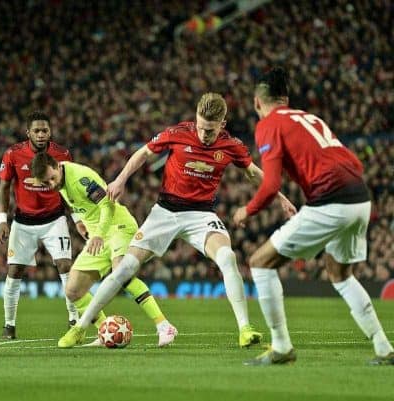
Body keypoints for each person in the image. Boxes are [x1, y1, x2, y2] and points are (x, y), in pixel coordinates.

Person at [58, 93, 296, 348]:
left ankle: (245, 329)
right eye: (201, 127)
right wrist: (121, 178)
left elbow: (252, 173)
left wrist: (280, 198)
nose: (204, 134)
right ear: (196, 118)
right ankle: (81, 328)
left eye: (211, 130)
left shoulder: (231, 145)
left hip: (201, 215)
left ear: (222, 125)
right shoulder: (178, 132)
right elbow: (144, 154)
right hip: (165, 212)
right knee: (125, 268)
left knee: (227, 258)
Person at [232, 67, 394, 366]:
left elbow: (270, 185)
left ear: (257, 102)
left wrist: (247, 210)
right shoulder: (308, 117)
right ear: (287, 98)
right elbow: (353, 161)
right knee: (341, 275)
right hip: (360, 199)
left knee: (260, 263)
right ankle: (384, 348)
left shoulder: (269, 125)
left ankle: (281, 346)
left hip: (331, 202)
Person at [30, 153, 177, 348]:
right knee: (73, 290)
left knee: (121, 272)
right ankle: (104, 330)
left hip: (117, 227)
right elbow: (76, 203)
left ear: (57, 167)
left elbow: (107, 204)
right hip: (97, 237)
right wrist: (80, 222)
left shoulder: (81, 178)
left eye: (52, 178)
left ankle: (164, 326)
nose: (51, 184)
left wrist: (99, 233)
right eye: (46, 182)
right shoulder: (60, 180)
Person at [0, 111, 78, 339]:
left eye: (45, 131)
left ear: (50, 132)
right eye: (37, 131)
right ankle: (9, 326)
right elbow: (4, 187)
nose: (41, 135)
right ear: (28, 132)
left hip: (54, 218)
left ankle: (74, 321)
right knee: (14, 270)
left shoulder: (63, 154)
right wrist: (3, 221)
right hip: (23, 220)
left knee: (64, 266)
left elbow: (70, 188)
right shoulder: (13, 154)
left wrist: (77, 219)